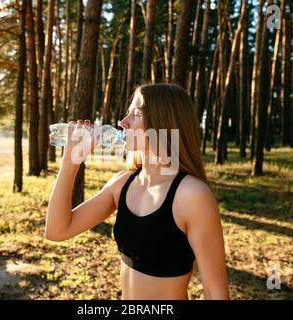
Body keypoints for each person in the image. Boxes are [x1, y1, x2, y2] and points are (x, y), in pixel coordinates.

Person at [45, 83, 230, 300]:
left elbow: (215, 292)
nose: (123, 123)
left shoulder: (191, 195)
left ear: (163, 123)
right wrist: (70, 162)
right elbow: (57, 230)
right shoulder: (123, 183)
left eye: (136, 114)